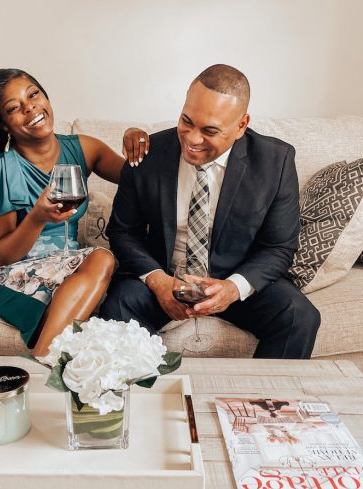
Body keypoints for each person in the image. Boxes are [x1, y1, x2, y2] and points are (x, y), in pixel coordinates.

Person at [100, 64, 321, 359]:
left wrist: (233, 288)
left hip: (233, 278)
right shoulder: (147, 153)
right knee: (118, 306)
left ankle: (261, 402)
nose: (191, 139)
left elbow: (279, 247)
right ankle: (141, 399)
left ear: (241, 125)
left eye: (210, 130)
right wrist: (159, 281)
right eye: (186, 121)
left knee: (299, 316)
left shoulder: (275, 162)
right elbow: (123, 231)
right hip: (165, 277)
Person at [0, 68, 150, 357]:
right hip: (6, 269)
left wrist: (135, 140)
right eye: (14, 108)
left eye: (34, 94)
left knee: (104, 265)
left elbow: (140, 177)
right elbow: (2, 254)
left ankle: (44, 365)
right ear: (4, 124)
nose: (30, 108)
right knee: (102, 259)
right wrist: (38, 217)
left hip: (64, 262)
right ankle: (43, 363)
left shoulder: (84, 149)